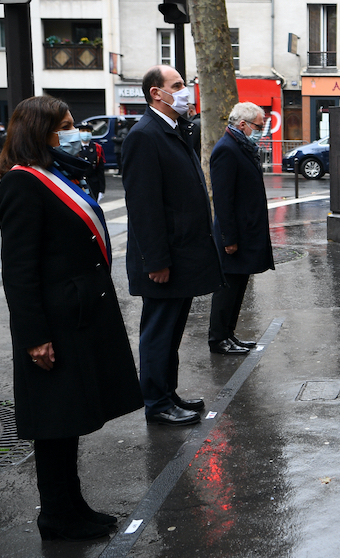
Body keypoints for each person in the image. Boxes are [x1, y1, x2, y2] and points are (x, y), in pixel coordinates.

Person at [0, 96, 143, 541]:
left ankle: (72, 504)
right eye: (66, 126)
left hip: (76, 316)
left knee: (70, 419)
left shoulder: (54, 175)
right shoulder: (22, 184)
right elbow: (18, 273)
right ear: (41, 132)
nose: (76, 133)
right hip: (52, 325)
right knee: (54, 423)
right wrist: (35, 337)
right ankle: (57, 515)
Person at [122, 65, 225, 427]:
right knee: (159, 333)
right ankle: (157, 402)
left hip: (181, 256)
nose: (185, 90)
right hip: (164, 260)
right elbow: (145, 207)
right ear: (156, 93)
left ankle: (168, 392)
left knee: (171, 333)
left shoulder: (175, 129)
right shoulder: (144, 135)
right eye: (177, 85)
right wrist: (156, 260)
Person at [208, 102, 275, 354]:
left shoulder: (241, 146)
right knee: (228, 288)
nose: (261, 130)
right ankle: (218, 338)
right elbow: (223, 199)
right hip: (234, 233)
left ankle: (229, 334)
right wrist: (229, 238)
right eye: (259, 125)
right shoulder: (227, 149)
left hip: (244, 231)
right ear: (243, 124)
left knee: (238, 286)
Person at [77, 124, 107, 201]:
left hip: (93, 185)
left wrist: (101, 190)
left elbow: (100, 170)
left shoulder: (97, 148)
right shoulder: (75, 147)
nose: (85, 133)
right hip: (79, 185)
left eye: (88, 131)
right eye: (83, 131)